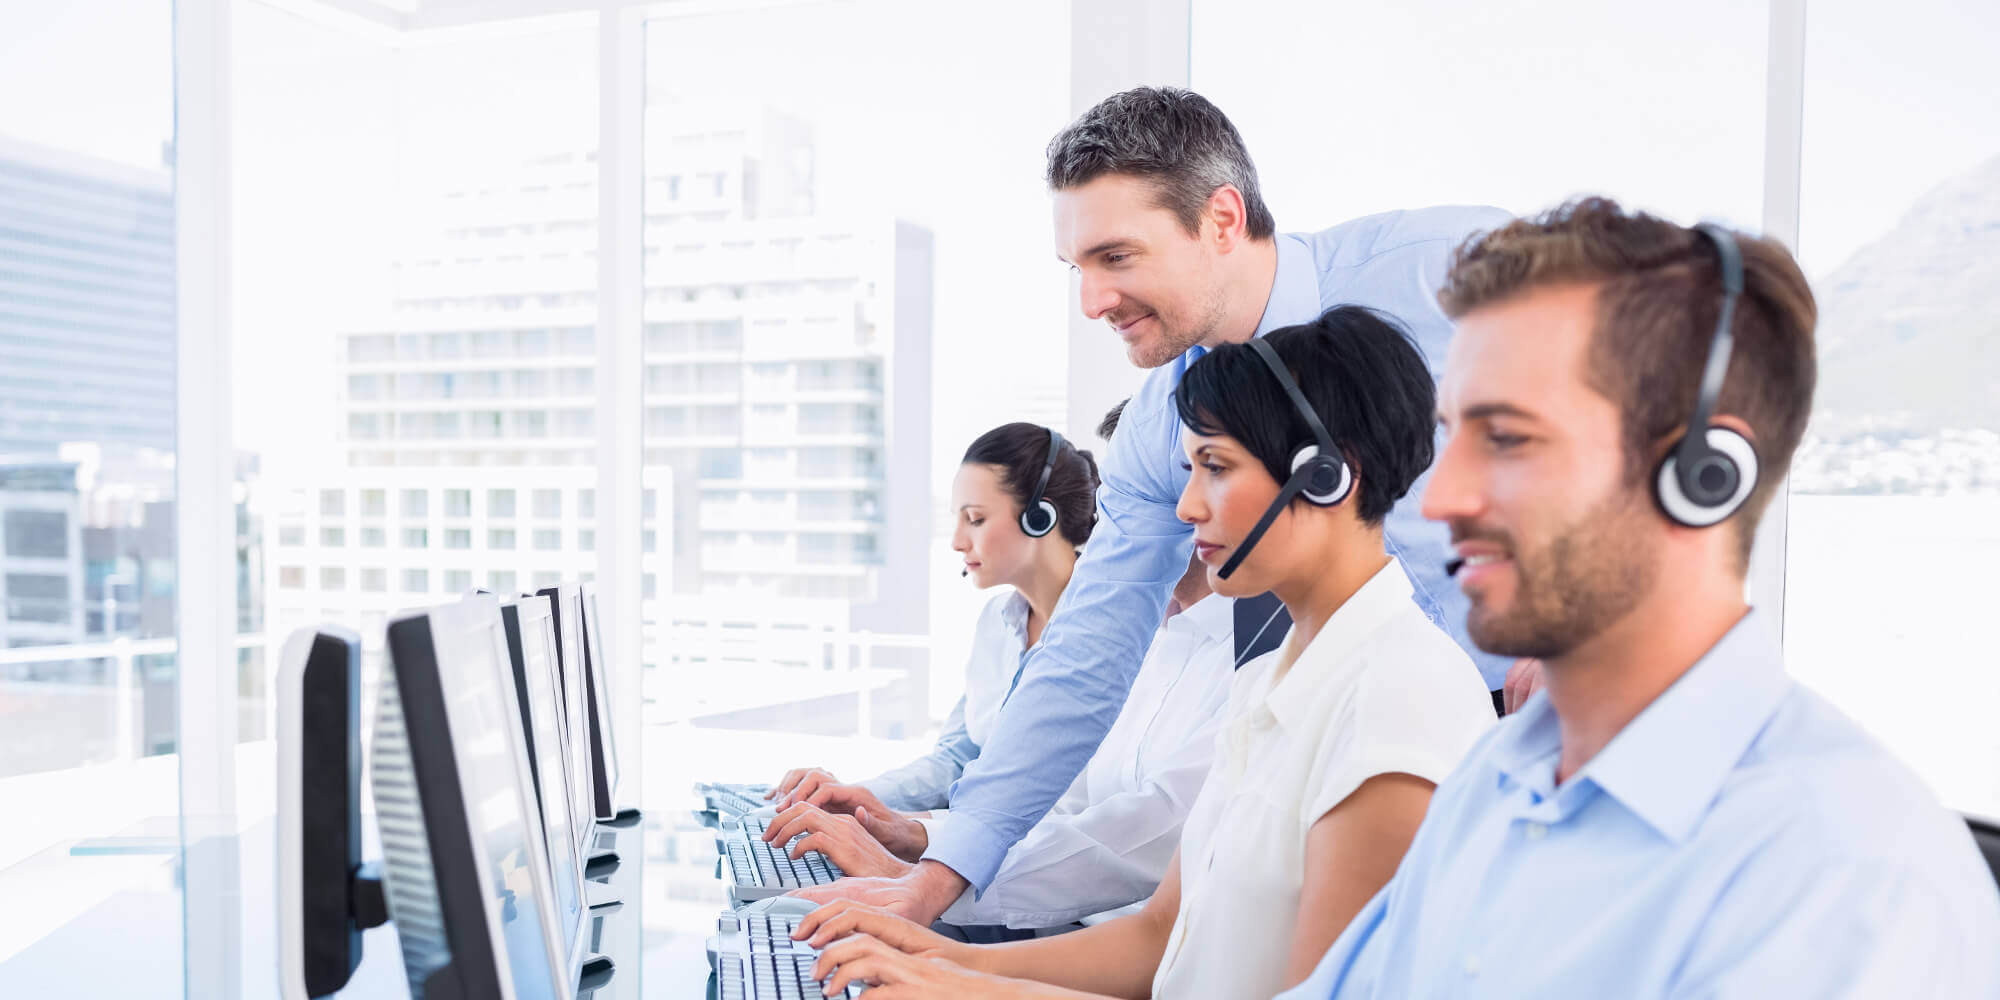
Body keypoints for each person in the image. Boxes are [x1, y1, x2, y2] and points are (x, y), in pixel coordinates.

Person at [797, 85, 1513, 926]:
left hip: (1535, 732)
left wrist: (1570, 634)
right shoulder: (1157, 426)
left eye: (1116, 258)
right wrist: (943, 875)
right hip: (1350, 756)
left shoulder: (1448, 271)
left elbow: (1664, 398)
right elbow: (1088, 648)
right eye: (1078, 269)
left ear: (1220, 219)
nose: (1092, 302)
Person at [1279, 198, 2000, 997]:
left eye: (1508, 438)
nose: (1440, 497)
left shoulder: (1846, 877)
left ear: (1703, 475)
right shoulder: (1495, 775)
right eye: (1451, 436)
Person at [791, 307, 1496, 1000]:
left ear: (1328, 477)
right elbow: (1161, 934)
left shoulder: (1399, 698)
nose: (1186, 507)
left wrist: (979, 993)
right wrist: (940, 959)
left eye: (1214, 467)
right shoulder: (1271, 680)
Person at [761, 402, 1236, 933]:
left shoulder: (1189, 651)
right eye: (1118, 499)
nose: (1116, 519)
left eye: (977, 518)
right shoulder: (1145, 635)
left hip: (1076, 926)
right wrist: (899, 829)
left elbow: (1130, 827)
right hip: (1062, 918)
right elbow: (989, 770)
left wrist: (936, 870)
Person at [753, 422, 1100, 863]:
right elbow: (957, 758)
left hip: (1057, 881)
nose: (957, 541)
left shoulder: (1108, 631)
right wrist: (856, 798)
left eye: (975, 519)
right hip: (981, 864)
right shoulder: (998, 622)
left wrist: (920, 835)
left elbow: (1076, 806)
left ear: (1040, 517)